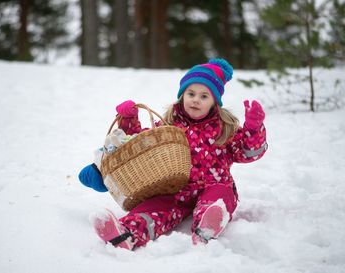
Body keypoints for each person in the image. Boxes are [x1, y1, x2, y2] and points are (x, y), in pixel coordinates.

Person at [92, 58, 268, 250]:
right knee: (155, 208)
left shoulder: (224, 128)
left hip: (213, 183)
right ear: (182, 95)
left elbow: (248, 153)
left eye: (204, 96)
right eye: (191, 93)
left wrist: (253, 127)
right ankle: (126, 234)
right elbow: (140, 145)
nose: (195, 100)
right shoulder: (168, 125)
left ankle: (207, 225)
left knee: (220, 195)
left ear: (214, 102)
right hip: (174, 189)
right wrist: (129, 120)